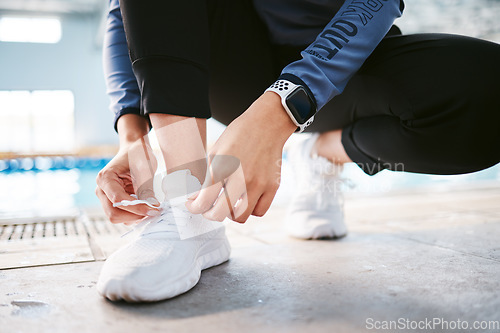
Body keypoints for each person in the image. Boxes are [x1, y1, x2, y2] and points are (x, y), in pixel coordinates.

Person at [95, 0, 500, 302]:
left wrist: (280, 111)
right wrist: (133, 133)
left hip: (348, 63)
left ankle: (324, 153)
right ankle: (188, 213)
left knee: (488, 90)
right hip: (236, 67)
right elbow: (122, 11)